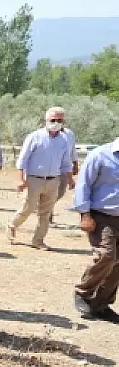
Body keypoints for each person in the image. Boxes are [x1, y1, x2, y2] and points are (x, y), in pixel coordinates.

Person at [7, 107, 75, 250]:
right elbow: (23, 159)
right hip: (34, 179)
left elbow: (66, 162)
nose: (56, 122)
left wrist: (70, 179)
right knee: (28, 208)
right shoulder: (34, 137)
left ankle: (38, 240)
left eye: (60, 120)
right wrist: (21, 179)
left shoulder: (64, 140)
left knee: (46, 213)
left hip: (53, 180)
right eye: (53, 120)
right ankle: (12, 225)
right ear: (46, 120)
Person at [72, 136, 119, 322]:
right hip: (102, 216)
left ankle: (101, 303)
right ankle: (82, 292)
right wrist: (84, 214)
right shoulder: (101, 154)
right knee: (107, 256)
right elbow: (83, 184)